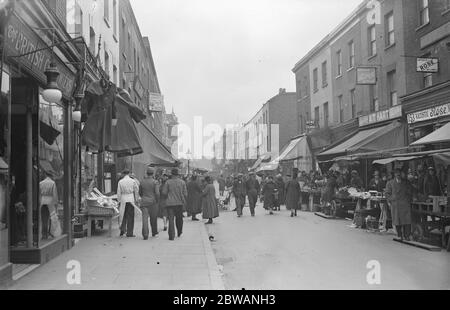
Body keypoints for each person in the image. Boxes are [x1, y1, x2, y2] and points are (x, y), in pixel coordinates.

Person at [385, 169, 413, 241]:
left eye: (399, 173)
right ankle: (400, 235)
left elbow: (410, 191)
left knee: (406, 220)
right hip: (396, 204)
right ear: (394, 174)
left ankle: (406, 235)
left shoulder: (406, 182)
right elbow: (387, 194)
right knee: (397, 220)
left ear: (401, 174)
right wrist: (391, 200)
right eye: (396, 173)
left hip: (405, 204)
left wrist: (408, 199)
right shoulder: (390, 183)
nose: (398, 174)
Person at [163, 168, 187, 241]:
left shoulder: (168, 182)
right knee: (179, 219)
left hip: (170, 204)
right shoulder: (182, 182)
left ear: (171, 174)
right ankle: (179, 231)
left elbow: (164, 192)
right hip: (179, 204)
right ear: (178, 174)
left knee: (171, 219)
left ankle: (171, 236)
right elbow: (185, 194)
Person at [117, 169, 140, 238]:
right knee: (130, 216)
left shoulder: (120, 182)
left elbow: (118, 192)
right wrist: (136, 200)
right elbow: (136, 190)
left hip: (123, 198)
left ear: (123, 174)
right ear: (129, 174)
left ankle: (122, 230)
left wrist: (119, 201)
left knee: (122, 215)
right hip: (130, 198)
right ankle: (129, 233)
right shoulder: (133, 181)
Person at [39, 171, 62, 240]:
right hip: (50, 202)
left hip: (43, 202)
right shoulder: (52, 183)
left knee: (44, 219)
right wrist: (56, 204)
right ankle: (50, 232)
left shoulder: (41, 183)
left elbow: (39, 194)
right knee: (51, 219)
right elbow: (54, 194)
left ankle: (44, 234)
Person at [139, 167, 160, 240]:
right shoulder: (155, 182)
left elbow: (140, 193)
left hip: (144, 202)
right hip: (153, 202)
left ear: (146, 173)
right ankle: (154, 232)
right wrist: (157, 200)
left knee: (144, 219)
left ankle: (145, 234)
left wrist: (144, 197)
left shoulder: (142, 182)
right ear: (153, 173)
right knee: (153, 218)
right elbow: (157, 193)